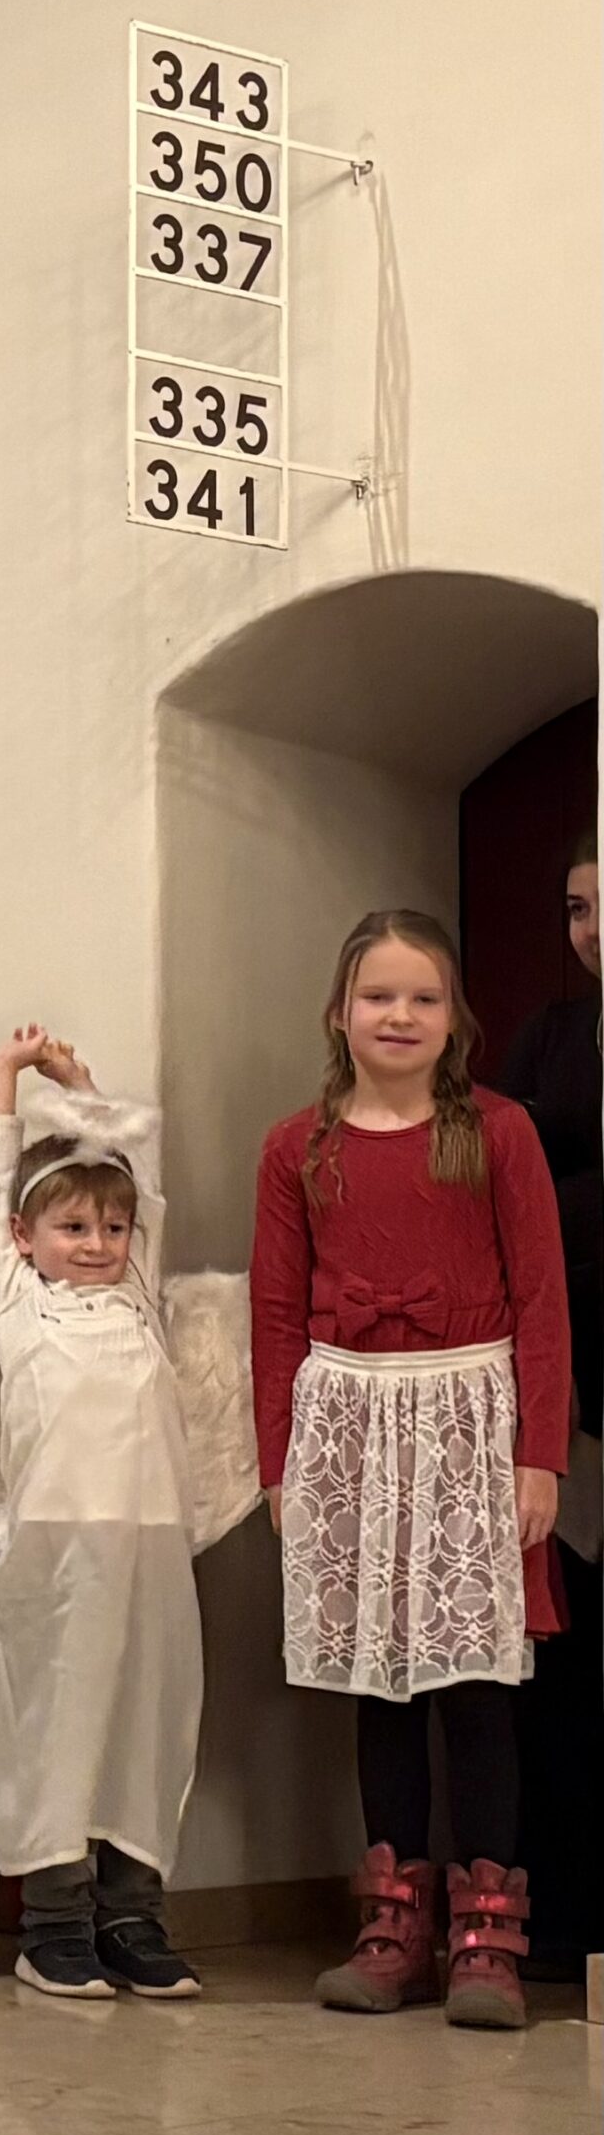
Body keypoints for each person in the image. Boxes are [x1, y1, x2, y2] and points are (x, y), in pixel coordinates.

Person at [253, 909, 570, 2032]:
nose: (399, 1015)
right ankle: (392, 1925)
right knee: (376, 1682)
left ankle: (487, 1933)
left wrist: (539, 1455)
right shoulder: (297, 1147)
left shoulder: (499, 1133)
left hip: (470, 1420)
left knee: (474, 1683)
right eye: (378, 996)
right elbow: (273, 1313)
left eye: (422, 997)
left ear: (454, 1018)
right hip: (347, 1422)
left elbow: (542, 1298)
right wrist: (281, 1463)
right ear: (339, 1012)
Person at [0, 1028, 204, 2002]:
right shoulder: (18, 1303)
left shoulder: (136, 1299)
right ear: (23, 1238)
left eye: (111, 1229)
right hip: (55, 1551)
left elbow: (138, 1176)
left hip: (148, 1547)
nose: (98, 1244)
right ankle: (55, 1924)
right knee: (58, 1725)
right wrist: (6, 1077)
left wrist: (80, 1088)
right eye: (72, 1227)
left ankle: (132, 1915)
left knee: (143, 1721)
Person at [502, 836, 601, 1979]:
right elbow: (508, 1186)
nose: (590, 930)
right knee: (564, 1660)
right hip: (568, 1388)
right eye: (575, 907)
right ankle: (562, 1916)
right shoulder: (550, 1034)